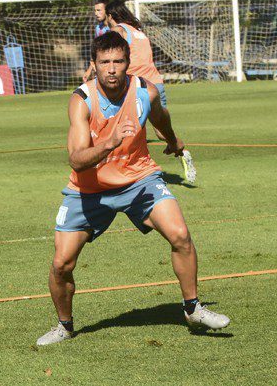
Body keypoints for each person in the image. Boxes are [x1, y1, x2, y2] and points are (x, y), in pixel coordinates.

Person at [37, 31, 230, 346]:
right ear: (94, 65)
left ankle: (193, 309)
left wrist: (173, 140)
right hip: (89, 190)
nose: (111, 69)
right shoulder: (82, 101)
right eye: (104, 62)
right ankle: (65, 326)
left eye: (118, 61)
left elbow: (161, 117)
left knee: (180, 235)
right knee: (62, 264)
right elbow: (76, 160)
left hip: (140, 179)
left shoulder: (145, 91)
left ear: (128, 63)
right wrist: (110, 142)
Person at [104, 0, 197, 183]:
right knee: (162, 132)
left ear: (110, 16)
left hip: (136, 86)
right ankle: (182, 151)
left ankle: (121, 170)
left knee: (121, 126)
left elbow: (114, 55)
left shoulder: (118, 31)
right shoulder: (138, 32)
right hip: (155, 83)